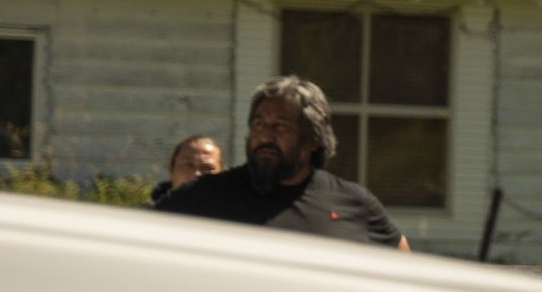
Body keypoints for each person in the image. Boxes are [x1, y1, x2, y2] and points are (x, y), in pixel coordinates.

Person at [155, 76, 407, 248]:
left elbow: (402, 264)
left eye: (280, 127)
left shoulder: (353, 202)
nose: (265, 136)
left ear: (313, 139)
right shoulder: (205, 195)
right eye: (258, 125)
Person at [150, 134, 223, 204]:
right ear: (171, 170)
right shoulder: (146, 215)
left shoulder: (231, 214)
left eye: (207, 168)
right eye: (189, 166)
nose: (196, 174)